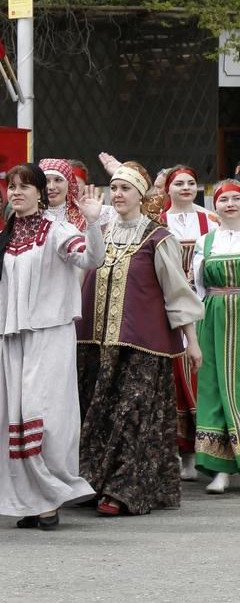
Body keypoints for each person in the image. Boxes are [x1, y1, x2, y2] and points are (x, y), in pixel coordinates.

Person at [0, 163, 104, 531]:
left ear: (40, 192)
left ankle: (50, 496)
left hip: (50, 335)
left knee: (45, 416)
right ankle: (31, 500)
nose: (16, 192)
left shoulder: (58, 231)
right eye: (12, 187)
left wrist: (94, 223)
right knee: (16, 418)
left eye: (25, 186)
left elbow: (90, 259)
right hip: (12, 339)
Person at [76, 162, 204, 516]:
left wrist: (191, 342)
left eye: (125, 189)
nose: (117, 195)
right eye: (113, 188)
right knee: (98, 413)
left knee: (131, 416)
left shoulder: (158, 238)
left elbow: (177, 294)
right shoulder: (98, 232)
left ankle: (123, 489)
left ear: (141, 195)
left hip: (141, 347)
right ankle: (96, 481)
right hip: (95, 345)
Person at [158, 165, 219, 479]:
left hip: (202, 302)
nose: (185, 187)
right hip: (166, 304)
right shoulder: (159, 222)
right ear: (167, 188)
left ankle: (204, 449)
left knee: (199, 371)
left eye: (191, 183)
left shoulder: (211, 220)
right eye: (178, 183)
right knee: (173, 377)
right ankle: (181, 452)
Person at [192, 180, 240, 493]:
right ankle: (220, 469)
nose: (231, 204)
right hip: (213, 318)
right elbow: (196, 288)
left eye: (237, 198)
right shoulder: (205, 242)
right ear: (215, 205)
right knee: (212, 388)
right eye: (224, 199)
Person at [40, 157, 111, 230]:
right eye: (46, 181)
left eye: (76, 183)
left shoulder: (98, 211)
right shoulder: (35, 212)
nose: (51, 187)